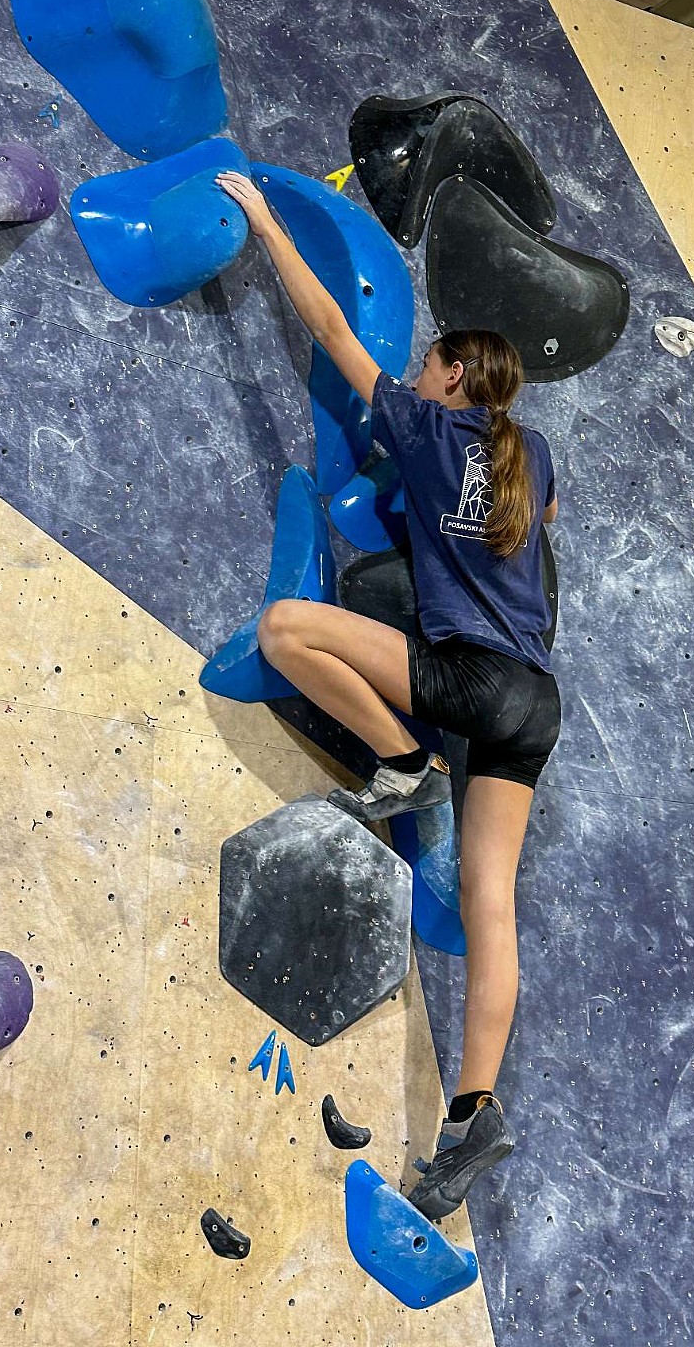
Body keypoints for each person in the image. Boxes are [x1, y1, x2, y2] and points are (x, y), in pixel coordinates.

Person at [216, 169, 561, 1221]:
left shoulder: (423, 424)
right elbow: (531, 532)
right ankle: (472, 1113)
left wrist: (265, 220)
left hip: (468, 680)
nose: (415, 370)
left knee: (286, 629)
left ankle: (406, 763)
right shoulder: (532, 455)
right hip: (537, 703)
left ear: (454, 376)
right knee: (493, 909)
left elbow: (328, 324)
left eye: (428, 362)